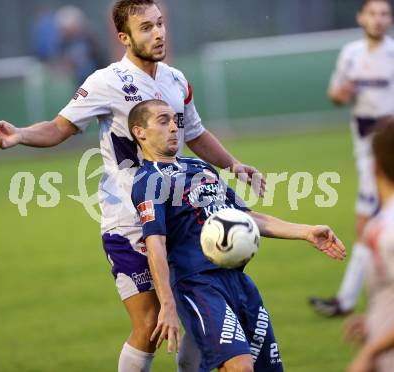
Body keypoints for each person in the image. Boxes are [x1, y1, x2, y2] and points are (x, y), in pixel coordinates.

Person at [0, 1, 265, 371]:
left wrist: (233, 164)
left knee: (198, 323)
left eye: (160, 24)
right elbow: (58, 127)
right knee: (149, 325)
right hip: (128, 222)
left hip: (179, 219)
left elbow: (194, 133)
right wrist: (19, 135)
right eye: (146, 27)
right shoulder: (106, 81)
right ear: (124, 37)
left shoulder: (176, 80)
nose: (158, 33)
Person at [129, 99, 347, 371]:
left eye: (175, 120)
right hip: (198, 285)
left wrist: (306, 231)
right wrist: (167, 304)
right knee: (240, 367)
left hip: (239, 282)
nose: (174, 127)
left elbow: (246, 217)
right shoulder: (149, 181)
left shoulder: (201, 167)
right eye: (163, 121)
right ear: (140, 132)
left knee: (268, 367)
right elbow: (156, 245)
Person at [309, 0, 394, 317]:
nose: (379, 19)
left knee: (366, 223)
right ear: (362, 17)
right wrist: (340, 94)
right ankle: (349, 299)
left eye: (384, 14)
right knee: (371, 223)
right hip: (364, 148)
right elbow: (335, 93)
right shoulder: (351, 54)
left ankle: (346, 300)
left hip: (386, 153)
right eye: (373, 13)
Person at [344, 119, 394, 372]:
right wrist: (374, 322)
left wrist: (371, 351)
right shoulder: (380, 226)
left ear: (375, 167)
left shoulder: (387, 231)